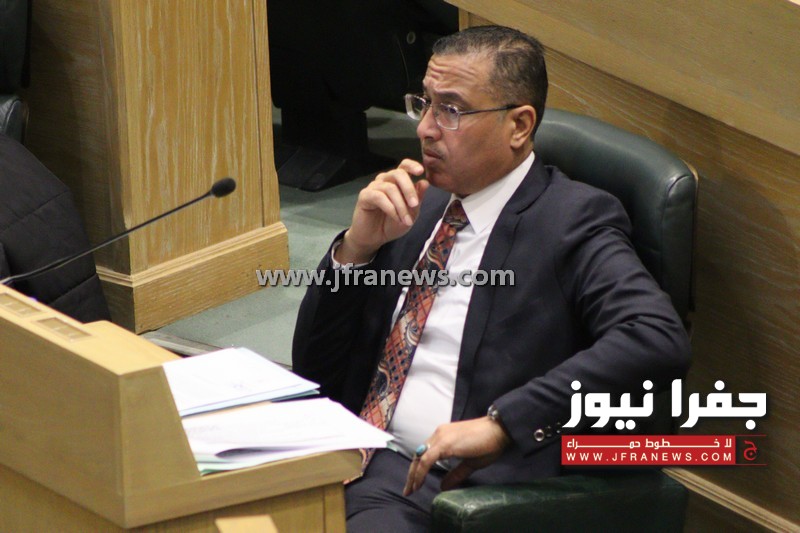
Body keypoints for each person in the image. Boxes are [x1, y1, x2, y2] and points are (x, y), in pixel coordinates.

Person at [292, 25, 690, 531]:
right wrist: (356, 250)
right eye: (425, 104)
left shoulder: (572, 220)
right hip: (341, 447)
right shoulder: (417, 200)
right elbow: (315, 368)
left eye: (451, 110)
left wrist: (505, 423)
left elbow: (656, 336)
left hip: (435, 485)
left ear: (519, 125)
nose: (425, 129)